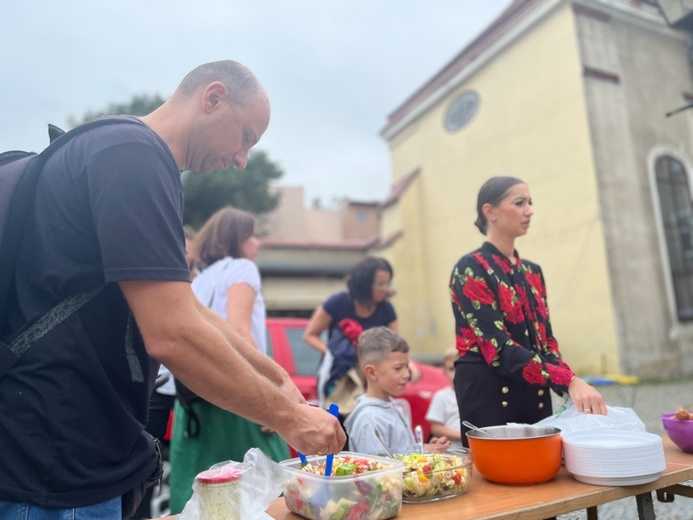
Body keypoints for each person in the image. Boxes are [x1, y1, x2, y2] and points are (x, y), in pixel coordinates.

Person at [0, 60, 344, 519]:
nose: (242, 161)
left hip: (71, 455)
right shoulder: (133, 153)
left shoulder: (115, 149)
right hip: (54, 464)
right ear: (213, 97)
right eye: (246, 137)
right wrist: (294, 420)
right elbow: (172, 333)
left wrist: (274, 375)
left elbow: (187, 308)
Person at [449, 176, 606, 447]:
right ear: (490, 212)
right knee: (500, 480)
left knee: (544, 475)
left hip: (533, 390)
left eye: (530, 202)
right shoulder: (470, 267)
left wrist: (569, 387)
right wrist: (568, 380)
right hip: (490, 392)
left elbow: (546, 341)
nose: (529, 210)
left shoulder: (532, 271)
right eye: (519, 203)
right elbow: (498, 350)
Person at [168, 206, 289, 513]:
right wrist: (268, 399)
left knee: (200, 500)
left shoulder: (200, 278)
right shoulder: (242, 269)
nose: (257, 243)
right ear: (237, 239)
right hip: (236, 399)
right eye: (252, 235)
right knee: (267, 490)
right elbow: (237, 329)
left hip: (193, 403)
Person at [304, 256, 420, 413]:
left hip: (371, 378)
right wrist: (333, 353)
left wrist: (408, 365)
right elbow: (310, 335)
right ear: (365, 283)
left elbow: (395, 346)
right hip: (339, 377)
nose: (385, 288)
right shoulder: (338, 302)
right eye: (380, 283)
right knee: (337, 420)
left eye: (387, 283)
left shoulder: (386, 309)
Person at [344, 327, 449, 455]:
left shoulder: (390, 405)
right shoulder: (369, 419)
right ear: (371, 372)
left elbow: (399, 450)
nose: (406, 374)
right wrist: (419, 452)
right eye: (398, 368)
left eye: (406, 366)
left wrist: (424, 451)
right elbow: (376, 468)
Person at [425, 348, 462, 449]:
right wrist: (462, 435)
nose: (456, 373)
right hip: (450, 449)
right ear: (444, 372)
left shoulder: (474, 395)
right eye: (451, 369)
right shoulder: (441, 396)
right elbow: (436, 428)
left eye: (460, 367)